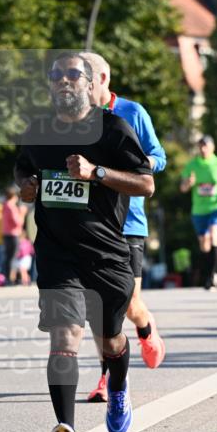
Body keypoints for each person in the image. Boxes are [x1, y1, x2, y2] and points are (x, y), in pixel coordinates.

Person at [15, 52, 154, 432]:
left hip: (107, 254)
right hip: (57, 253)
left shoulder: (113, 130)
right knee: (64, 338)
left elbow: (145, 183)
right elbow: (23, 170)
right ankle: (67, 431)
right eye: (56, 75)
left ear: (91, 84)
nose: (63, 81)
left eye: (73, 75)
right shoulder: (37, 130)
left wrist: (96, 173)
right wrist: (26, 186)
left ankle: (118, 387)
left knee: (111, 340)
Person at [80, 52, 167, 403]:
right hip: (90, 222)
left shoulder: (132, 113)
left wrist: (133, 164)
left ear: (102, 79)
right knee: (98, 306)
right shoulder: (73, 120)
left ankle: (146, 330)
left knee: (128, 301)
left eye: (84, 78)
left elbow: (158, 156)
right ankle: (108, 377)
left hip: (128, 221)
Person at [181, 136, 217, 290]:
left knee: (213, 235)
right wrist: (188, 183)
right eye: (200, 146)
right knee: (204, 243)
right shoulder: (192, 165)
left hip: (216, 207)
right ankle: (209, 274)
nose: (203, 149)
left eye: (206, 146)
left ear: (213, 147)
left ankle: (211, 276)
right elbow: (183, 188)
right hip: (199, 210)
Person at [1, 187, 26, 284]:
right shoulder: (11, 207)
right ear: (14, 196)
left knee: (8, 257)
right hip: (13, 234)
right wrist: (23, 213)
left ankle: (8, 278)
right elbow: (18, 222)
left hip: (6, 234)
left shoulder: (4, 205)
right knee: (13, 258)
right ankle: (10, 279)